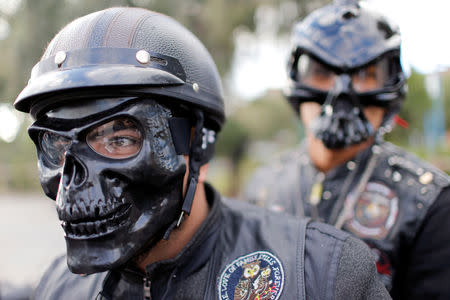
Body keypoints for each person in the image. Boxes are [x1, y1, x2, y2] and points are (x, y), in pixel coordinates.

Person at [14, 7, 389, 300]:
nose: (71, 183)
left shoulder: (321, 274)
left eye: (120, 139)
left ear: (197, 143)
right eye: (58, 147)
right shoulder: (58, 287)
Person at [243, 0, 450, 299]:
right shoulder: (263, 187)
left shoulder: (429, 202)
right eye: (321, 72)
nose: (341, 94)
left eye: (365, 75)